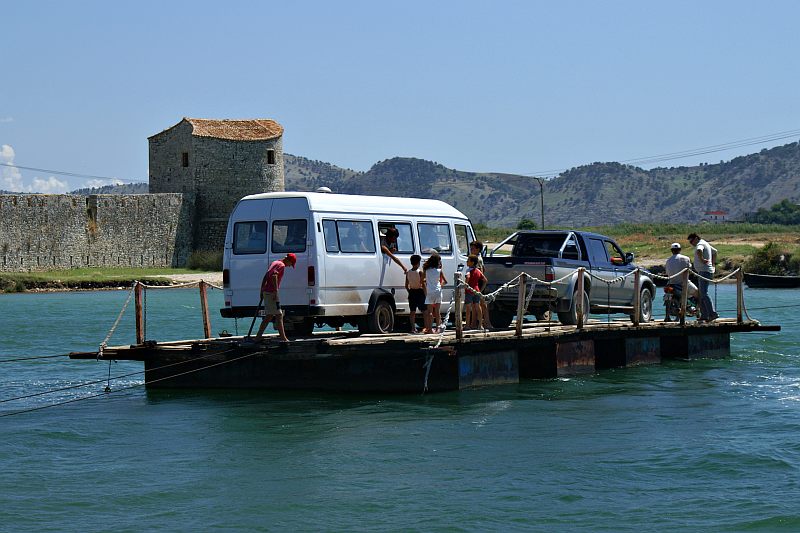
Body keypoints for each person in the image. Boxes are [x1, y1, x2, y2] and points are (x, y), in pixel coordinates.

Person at [254, 253, 297, 341]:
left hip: (267, 292)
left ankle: (258, 337)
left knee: (270, 316)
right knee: (279, 315)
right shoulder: (281, 265)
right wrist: (276, 292)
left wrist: (261, 290)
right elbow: (274, 276)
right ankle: (283, 339)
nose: (289, 266)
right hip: (271, 293)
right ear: (288, 260)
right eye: (291, 264)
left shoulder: (275, 262)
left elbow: (266, 276)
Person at [688, 232, 719, 322]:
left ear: (696, 238)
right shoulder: (705, 243)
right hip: (704, 271)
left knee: (704, 293)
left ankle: (712, 314)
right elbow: (715, 252)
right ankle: (704, 315)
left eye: (692, 241)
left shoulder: (700, 244)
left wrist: (702, 260)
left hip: (704, 272)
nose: (691, 243)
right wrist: (712, 264)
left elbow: (699, 251)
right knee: (701, 294)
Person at [664, 242, 699, 321]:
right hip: (683, 283)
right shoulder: (686, 258)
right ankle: (698, 313)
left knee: (667, 295)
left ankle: (667, 316)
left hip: (671, 283)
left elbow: (667, 273)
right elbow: (689, 269)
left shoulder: (668, 260)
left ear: (671, 250)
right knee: (698, 293)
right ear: (680, 250)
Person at [470, 240, 493, 329]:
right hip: (479, 283)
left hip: (477, 283)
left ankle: (477, 323)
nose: (471, 250)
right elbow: (484, 269)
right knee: (481, 303)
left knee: (478, 304)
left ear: (478, 249)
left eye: (473, 249)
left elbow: (480, 271)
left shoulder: (476, 259)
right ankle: (484, 322)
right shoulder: (479, 257)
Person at [422, 253, 447, 334]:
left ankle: (429, 329)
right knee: (437, 311)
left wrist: (427, 283)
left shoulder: (426, 270)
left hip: (429, 291)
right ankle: (437, 329)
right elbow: (445, 281)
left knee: (430, 311)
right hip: (438, 291)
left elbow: (422, 280)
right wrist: (440, 285)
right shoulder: (439, 271)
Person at [465, 254, 487, 329]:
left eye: (468, 261)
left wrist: (466, 284)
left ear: (472, 262)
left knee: (468, 308)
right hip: (476, 290)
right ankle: (480, 324)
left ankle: (467, 325)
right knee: (477, 306)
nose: (466, 262)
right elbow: (485, 280)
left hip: (469, 290)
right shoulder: (478, 270)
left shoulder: (468, 270)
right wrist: (481, 290)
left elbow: (468, 276)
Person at [405, 254, 425, 333]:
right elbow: (422, 284)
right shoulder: (420, 272)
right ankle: (426, 326)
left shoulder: (408, 272)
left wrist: (409, 291)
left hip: (412, 291)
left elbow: (406, 285)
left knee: (412, 311)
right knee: (424, 310)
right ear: (418, 263)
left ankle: (413, 328)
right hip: (420, 291)